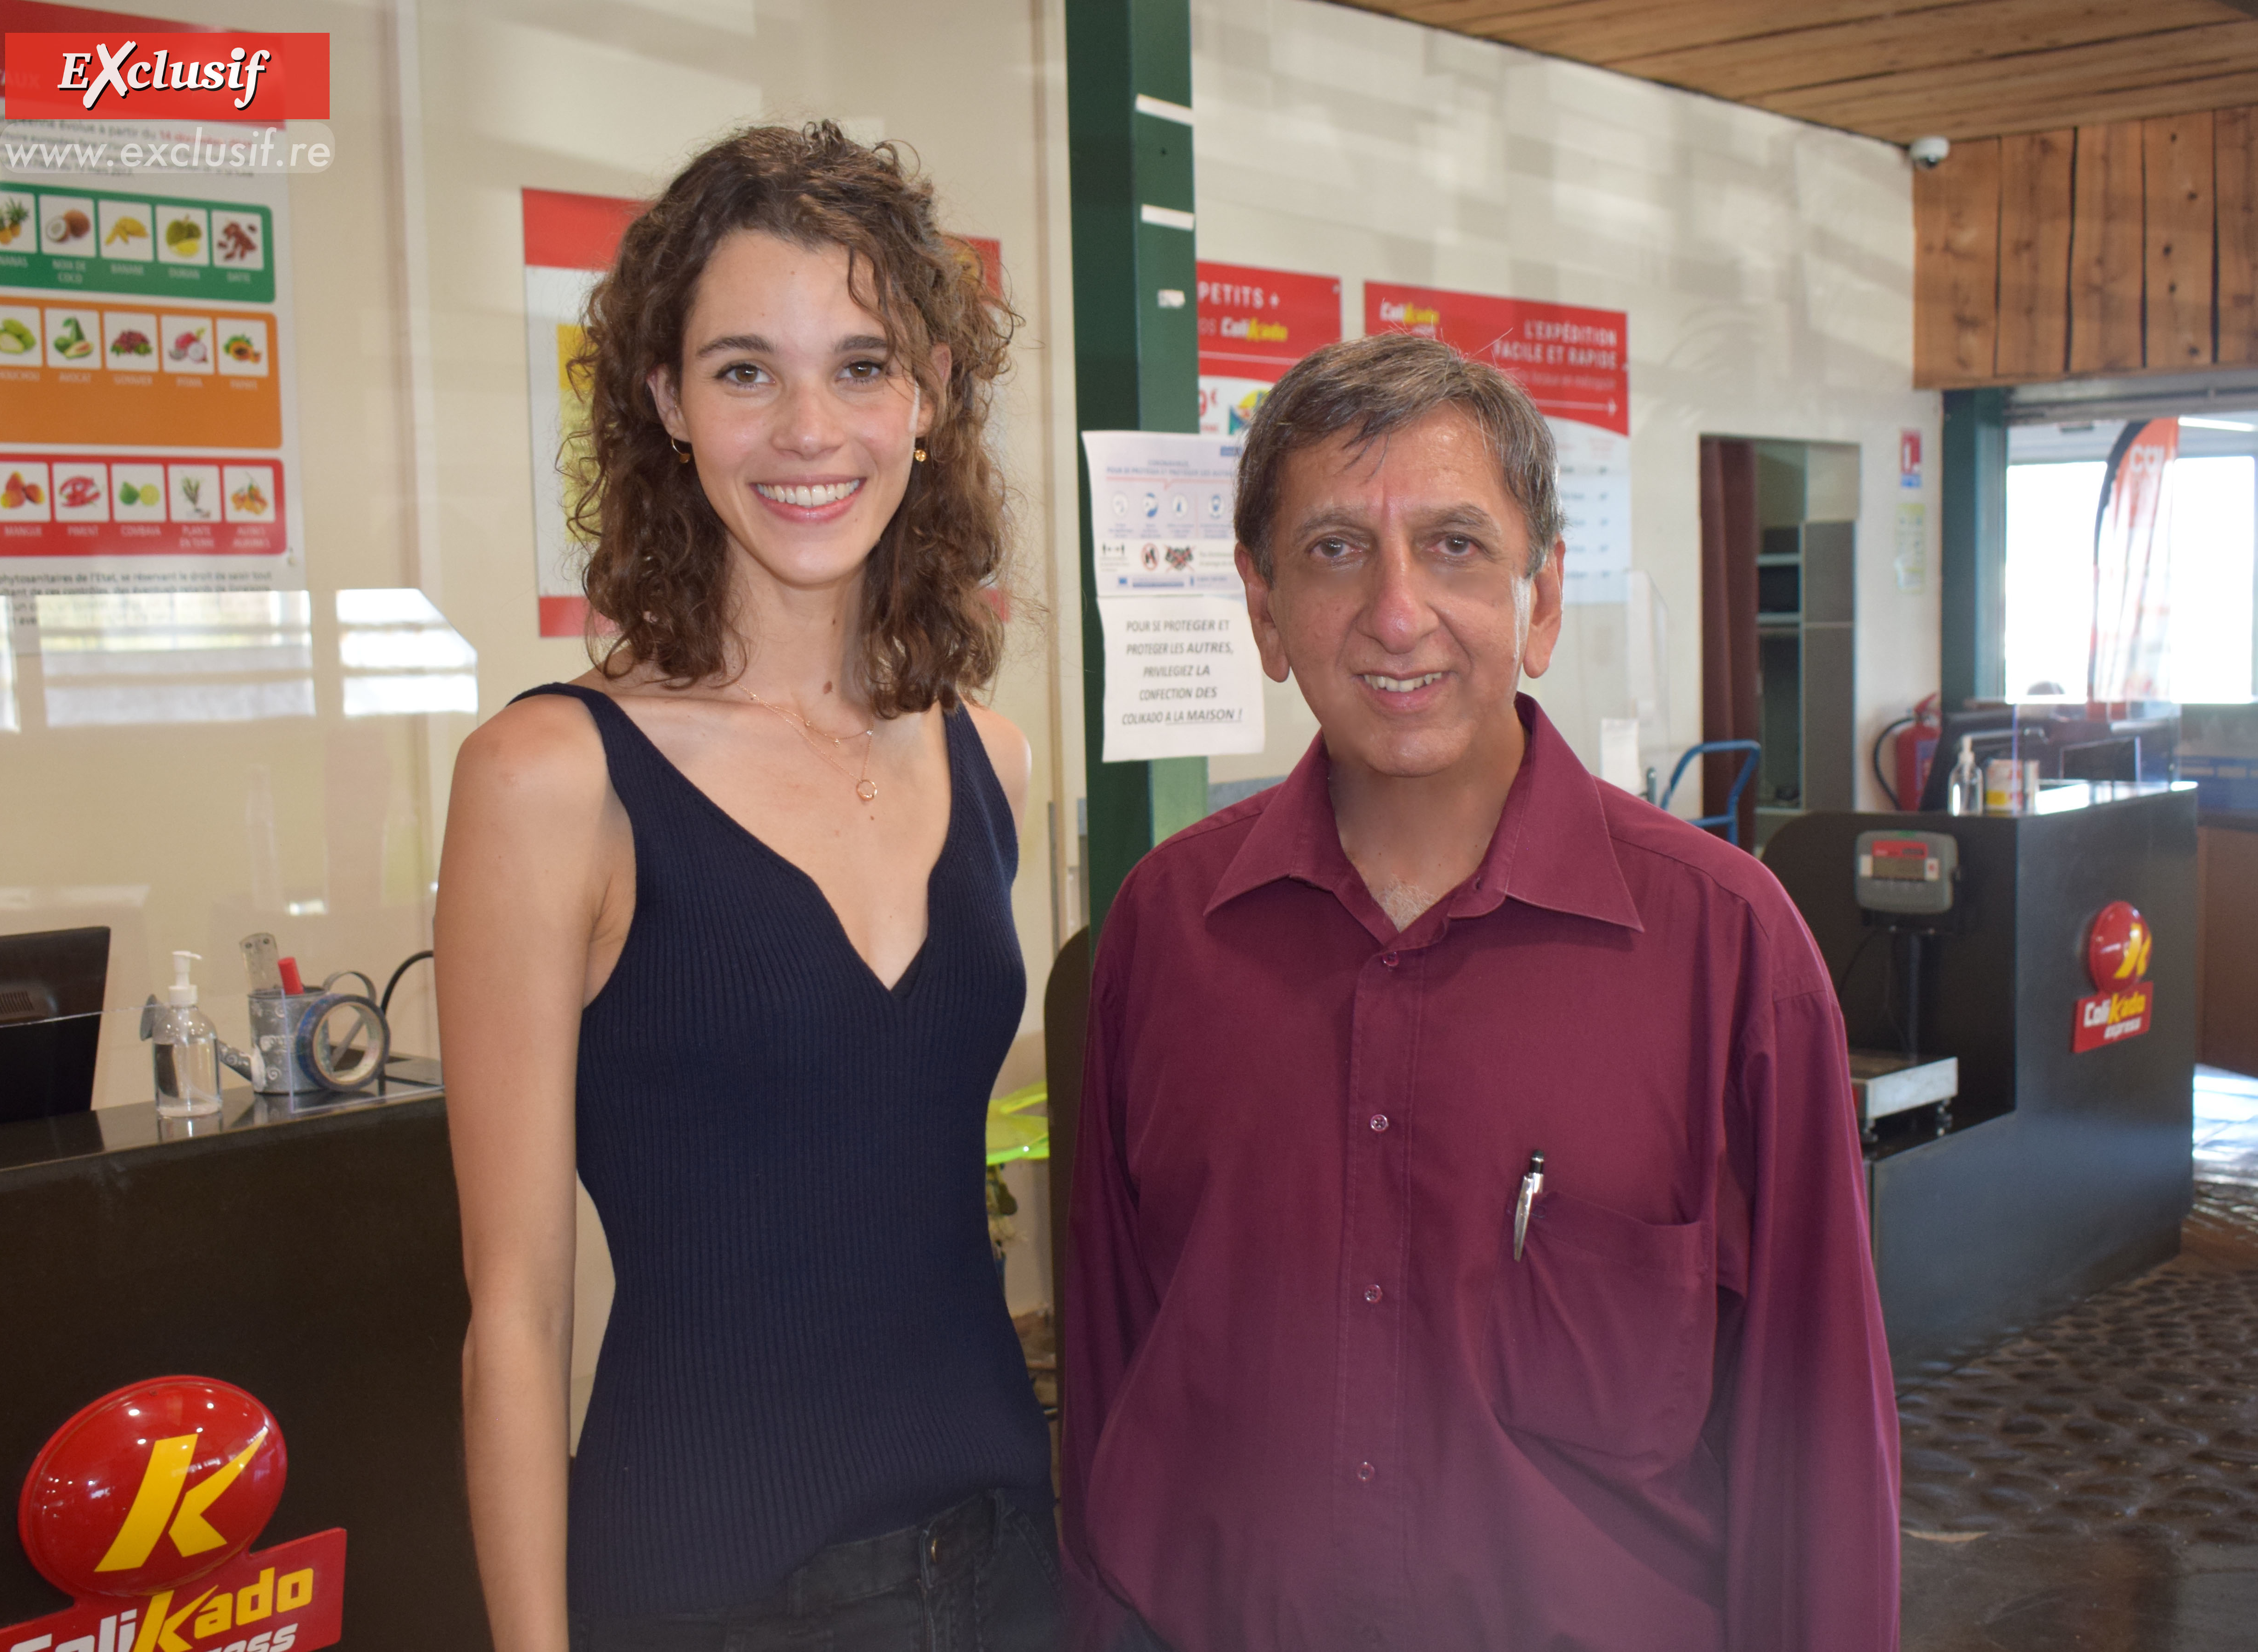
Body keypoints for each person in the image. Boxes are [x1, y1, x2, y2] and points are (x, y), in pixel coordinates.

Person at [1060, 333, 1900, 1651]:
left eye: (1455, 546)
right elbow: (1113, 1369)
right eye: (1335, 549)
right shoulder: (1168, 935)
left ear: (1543, 599)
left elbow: (1822, 1450)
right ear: (1264, 609)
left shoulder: (1725, 952)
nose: (1398, 614)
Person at [436, 124, 1058, 1652]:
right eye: (742, 370)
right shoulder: (551, 778)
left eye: (860, 366)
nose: (807, 428)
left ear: (927, 402)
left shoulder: (988, 755)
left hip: (1009, 1565)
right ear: (663, 402)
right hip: (711, 1592)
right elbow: (513, 1316)